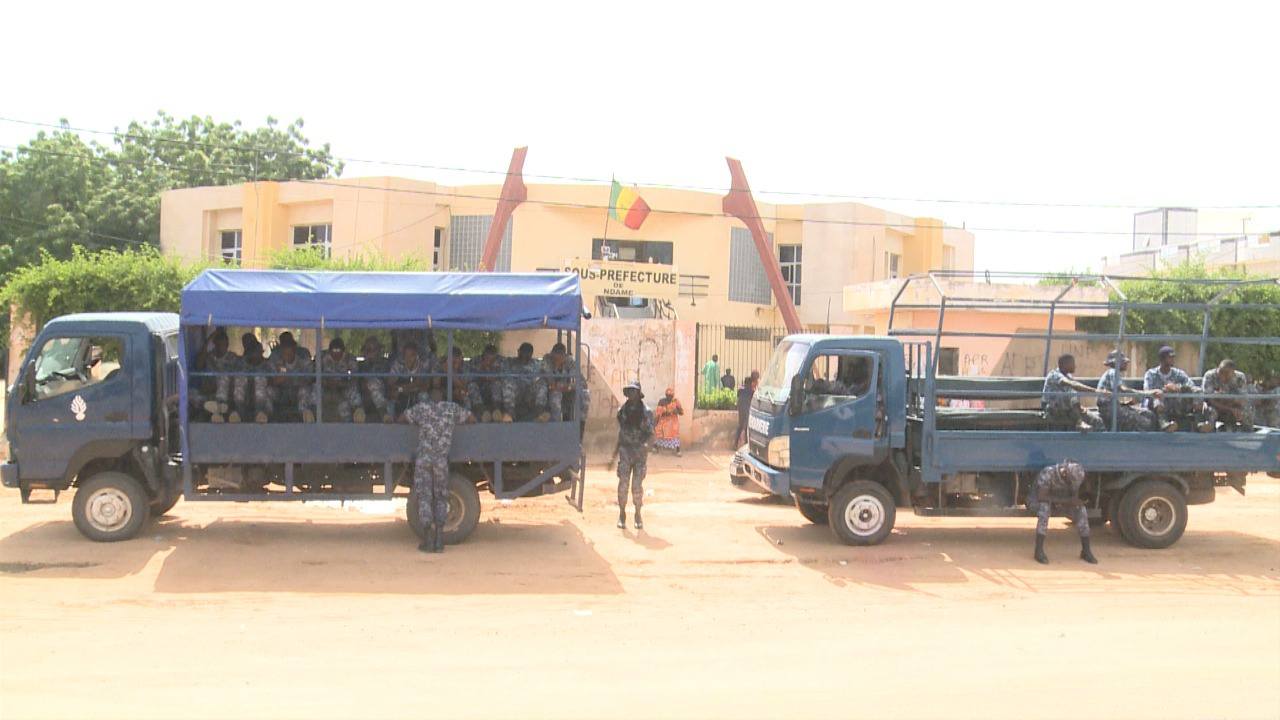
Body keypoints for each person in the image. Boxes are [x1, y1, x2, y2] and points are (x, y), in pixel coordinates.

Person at [403, 398, 474, 553]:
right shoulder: (451, 408)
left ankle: (428, 540)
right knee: (441, 497)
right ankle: (440, 541)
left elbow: (403, 417)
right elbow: (471, 418)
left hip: (424, 460)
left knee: (424, 497)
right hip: (441, 461)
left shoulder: (422, 408)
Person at [1031, 459, 1097, 565]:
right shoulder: (1048, 473)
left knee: (1081, 509)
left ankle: (1086, 551)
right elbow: (1041, 496)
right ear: (1065, 474)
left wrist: (1074, 502)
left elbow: (1073, 497)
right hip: (1039, 502)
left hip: (1061, 502)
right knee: (1044, 509)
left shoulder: (1075, 476)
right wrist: (1066, 501)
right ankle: (1038, 551)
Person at [1096, 351, 1169, 432]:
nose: (1126, 364)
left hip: (1112, 407)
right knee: (1145, 421)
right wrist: (1146, 393)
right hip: (1109, 409)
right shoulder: (1113, 372)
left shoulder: (1113, 373)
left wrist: (1128, 403)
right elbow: (1122, 389)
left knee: (1148, 414)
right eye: (1123, 362)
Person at [1144, 346, 1210, 432]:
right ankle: (1164, 424)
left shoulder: (1178, 373)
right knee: (1157, 397)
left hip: (1177, 403)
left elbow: (1191, 385)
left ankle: (1199, 423)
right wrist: (1162, 390)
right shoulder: (1151, 374)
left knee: (1197, 391)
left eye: (1173, 357)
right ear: (1162, 359)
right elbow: (1147, 390)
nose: (1172, 359)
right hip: (1160, 404)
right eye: (1170, 357)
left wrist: (1177, 388)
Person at [615, 381, 654, 530]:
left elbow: (651, 435)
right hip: (625, 453)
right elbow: (622, 430)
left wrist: (644, 447)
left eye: (634, 391)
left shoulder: (646, 412)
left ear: (639, 393)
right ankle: (622, 514)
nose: (631, 394)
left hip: (639, 456)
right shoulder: (622, 411)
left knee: (637, 487)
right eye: (629, 391)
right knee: (623, 486)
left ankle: (638, 514)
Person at [299, 338, 362, 422]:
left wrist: (342, 384)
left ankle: (358, 412)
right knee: (314, 388)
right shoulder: (321, 356)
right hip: (324, 385)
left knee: (353, 390)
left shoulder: (349, 359)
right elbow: (313, 375)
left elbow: (355, 378)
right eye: (333, 350)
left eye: (339, 350)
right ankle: (310, 413)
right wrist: (324, 382)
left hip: (342, 386)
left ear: (343, 351)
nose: (336, 353)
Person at [1042, 354, 1104, 431]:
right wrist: (1095, 391)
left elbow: (1077, 387)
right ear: (1065, 364)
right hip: (1052, 407)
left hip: (1069, 408)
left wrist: (1079, 407)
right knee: (1070, 393)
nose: (1075, 366)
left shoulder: (1069, 376)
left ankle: (1098, 441)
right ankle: (1079, 422)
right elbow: (1073, 384)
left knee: (1096, 420)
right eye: (1072, 363)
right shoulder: (1055, 374)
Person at [198, 328, 241, 423]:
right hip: (210, 391)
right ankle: (218, 413)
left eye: (223, 344)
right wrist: (208, 340)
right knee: (196, 400)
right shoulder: (209, 357)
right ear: (214, 344)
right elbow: (199, 365)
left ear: (227, 345)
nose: (220, 347)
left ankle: (223, 412)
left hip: (227, 393)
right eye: (218, 344)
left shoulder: (232, 358)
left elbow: (239, 377)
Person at [269, 333, 314, 422]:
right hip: (281, 391)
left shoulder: (303, 357)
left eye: (289, 346)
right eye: (284, 347)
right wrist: (279, 378)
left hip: (298, 391)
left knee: (307, 390)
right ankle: (265, 417)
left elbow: (310, 379)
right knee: (269, 391)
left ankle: (306, 416)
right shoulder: (275, 358)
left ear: (294, 348)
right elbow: (271, 380)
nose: (287, 350)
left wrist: (296, 379)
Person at [466, 344, 514, 422]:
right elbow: (468, 378)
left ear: (496, 356)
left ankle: (497, 411)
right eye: (487, 358)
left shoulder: (502, 361)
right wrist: (480, 373)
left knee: (497, 384)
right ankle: (482, 412)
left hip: (496, 391)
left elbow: (508, 377)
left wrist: (496, 378)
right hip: (480, 389)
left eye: (492, 360)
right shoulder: (475, 361)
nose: (489, 361)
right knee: (472, 386)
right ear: (483, 355)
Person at [1202, 358, 1254, 431]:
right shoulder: (1209, 376)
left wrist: (1235, 407)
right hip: (1216, 406)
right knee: (1210, 411)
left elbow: (1243, 399)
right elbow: (1209, 400)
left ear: (1233, 373)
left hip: (1233, 405)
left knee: (1247, 410)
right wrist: (1230, 408)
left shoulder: (1240, 377)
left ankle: (1248, 435)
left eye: (1227, 375)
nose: (1224, 376)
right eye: (1222, 372)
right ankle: (1210, 435)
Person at [232, 334, 272, 424]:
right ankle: (238, 414)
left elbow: (275, 381)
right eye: (252, 351)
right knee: (240, 379)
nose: (255, 354)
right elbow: (234, 379)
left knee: (264, 384)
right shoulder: (242, 363)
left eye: (257, 350)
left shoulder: (268, 364)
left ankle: (261, 414)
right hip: (246, 396)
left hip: (264, 398)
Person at [390, 342, 434, 415]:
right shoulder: (397, 365)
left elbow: (426, 385)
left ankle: (424, 419)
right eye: (406, 355)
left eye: (412, 355)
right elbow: (391, 384)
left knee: (424, 396)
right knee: (392, 399)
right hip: (401, 393)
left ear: (417, 355)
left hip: (417, 393)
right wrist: (403, 389)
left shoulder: (423, 365)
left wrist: (406, 387)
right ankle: (391, 422)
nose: (409, 358)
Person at [357, 336, 394, 424]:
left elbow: (389, 382)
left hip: (382, 395)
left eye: (374, 349)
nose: (371, 353)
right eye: (368, 350)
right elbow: (357, 382)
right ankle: (358, 414)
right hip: (364, 396)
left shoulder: (386, 364)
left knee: (373, 384)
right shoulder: (360, 365)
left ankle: (384, 414)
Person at [510, 342, 549, 422]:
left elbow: (548, 374)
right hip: (516, 392)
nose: (525, 355)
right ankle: (509, 414)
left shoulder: (537, 364)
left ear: (531, 354)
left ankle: (539, 414)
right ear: (518, 351)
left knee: (542, 383)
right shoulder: (511, 363)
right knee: (507, 383)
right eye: (523, 352)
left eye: (527, 353)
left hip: (529, 393)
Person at [544, 342, 581, 422]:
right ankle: (556, 428)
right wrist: (556, 365)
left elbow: (576, 381)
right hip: (550, 389)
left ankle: (578, 429)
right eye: (554, 356)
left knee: (583, 395)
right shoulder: (547, 359)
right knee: (555, 398)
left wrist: (568, 386)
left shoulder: (569, 361)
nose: (556, 359)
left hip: (565, 389)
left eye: (560, 357)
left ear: (564, 356)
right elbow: (549, 381)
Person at [653, 387, 684, 455]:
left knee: (675, 433)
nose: (669, 397)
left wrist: (677, 411)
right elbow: (658, 413)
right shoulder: (662, 401)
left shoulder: (676, 401)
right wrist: (655, 422)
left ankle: (678, 450)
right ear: (666, 395)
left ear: (673, 395)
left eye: (671, 396)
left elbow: (681, 412)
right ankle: (655, 447)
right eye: (668, 395)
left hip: (673, 422)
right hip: (663, 420)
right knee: (659, 430)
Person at [734, 372, 759, 448]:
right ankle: (747, 445)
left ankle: (735, 444)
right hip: (746, 408)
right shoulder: (752, 391)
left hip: (741, 408)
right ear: (752, 382)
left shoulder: (741, 390)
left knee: (741, 425)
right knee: (747, 426)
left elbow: (738, 396)